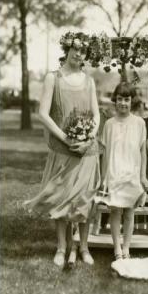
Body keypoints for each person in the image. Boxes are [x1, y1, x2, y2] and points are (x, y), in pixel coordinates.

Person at [24, 33, 100, 269]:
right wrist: (66, 138)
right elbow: (43, 114)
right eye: (75, 49)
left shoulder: (89, 81)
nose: (79, 55)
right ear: (67, 49)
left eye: (83, 52)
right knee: (61, 199)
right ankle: (61, 247)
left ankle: (84, 247)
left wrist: (89, 137)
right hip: (62, 148)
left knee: (84, 200)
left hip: (87, 150)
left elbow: (97, 115)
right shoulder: (52, 78)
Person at [98, 82, 148, 260]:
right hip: (114, 173)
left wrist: (143, 176)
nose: (123, 103)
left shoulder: (139, 123)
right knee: (115, 211)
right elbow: (105, 153)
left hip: (132, 173)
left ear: (131, 101)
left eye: (126, 99)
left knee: (129, 212)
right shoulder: (109, 125)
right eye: (119, 99)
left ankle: (127, 247)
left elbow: (143, 151)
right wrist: (103, 178)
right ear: (115, 101)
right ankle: (117, 249)